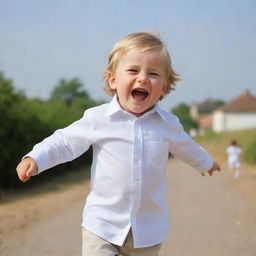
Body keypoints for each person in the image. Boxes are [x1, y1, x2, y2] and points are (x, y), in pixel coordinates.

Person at [16, 32, 221, 256]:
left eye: (153, 74)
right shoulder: (98, 119)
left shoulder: (168, 124)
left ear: (163, 87)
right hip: (102, 226)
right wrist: (36, 157)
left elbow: (186, 147)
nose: (142, 78)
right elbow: (65, 142)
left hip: (148, 232)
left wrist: (206, 163)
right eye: (133, 70)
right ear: (113, 80)